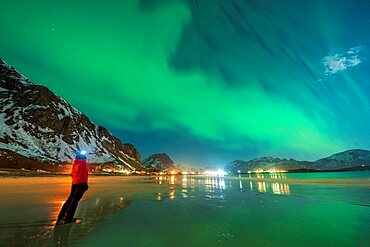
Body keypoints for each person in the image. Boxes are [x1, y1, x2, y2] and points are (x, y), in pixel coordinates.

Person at [57, 151, 89, 224]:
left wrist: (76, 180)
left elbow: (72, 174)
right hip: (81, 184)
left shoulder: (75, 163)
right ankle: (68, 218)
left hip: (74, 183)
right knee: (74, 201)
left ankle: (61, 216)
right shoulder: (83, 163)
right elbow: (84, 175)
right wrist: (85, 184)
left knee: (70, 199)